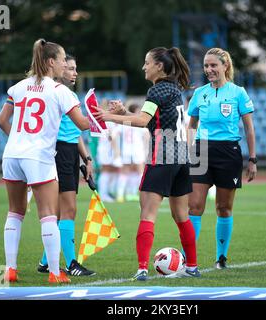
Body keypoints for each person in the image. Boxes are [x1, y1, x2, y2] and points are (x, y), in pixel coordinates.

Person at [95, 47, 200, 280]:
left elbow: (143, 121)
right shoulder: (174, 89)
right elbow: (157, 120)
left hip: (162, 156)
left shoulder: (156, 90)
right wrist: (124, 111)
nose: (144, 67)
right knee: (182, 216)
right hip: (181, 158)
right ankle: (192, 266)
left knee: (147, 214)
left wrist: (110, 117)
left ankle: (142, 268)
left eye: (147, 63)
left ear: (159, 66)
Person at [0, 39, 89, 284]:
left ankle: (10, 270)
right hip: (39, 156)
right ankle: (55, 272)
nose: (64, 65)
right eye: (61, 61)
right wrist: (109, 116)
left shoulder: (18, 87)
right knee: (48, 214)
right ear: (51, 62)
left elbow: (1, 120)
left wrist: (21, 139)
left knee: (14, 213)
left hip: (13, 154)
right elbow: (83, 124)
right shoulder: (60, 91)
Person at [187, 48, 257, 269]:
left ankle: (221, 257)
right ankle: (189, 259)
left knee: (223, 208)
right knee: (194, 206)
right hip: (202, 151)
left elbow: (249, 128)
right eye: (206, 66)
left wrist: (252, 159)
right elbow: (191, 125)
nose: (209, 70)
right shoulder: (199, 93)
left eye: (213, 65)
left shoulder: (238, 93)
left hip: (229, 153)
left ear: (225, 66)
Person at [37, 54, 96, 277]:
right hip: (59, 151)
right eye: (70, 68)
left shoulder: (67, 94)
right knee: (68, 209)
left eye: (75, 68)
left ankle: (45, 262)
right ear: (59, 68)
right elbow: (78, 127)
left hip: (69, 151)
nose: (74, 72)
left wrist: (87, 159)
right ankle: (71, 263)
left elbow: (75, 131)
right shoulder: (55, 93)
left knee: (62, 211)